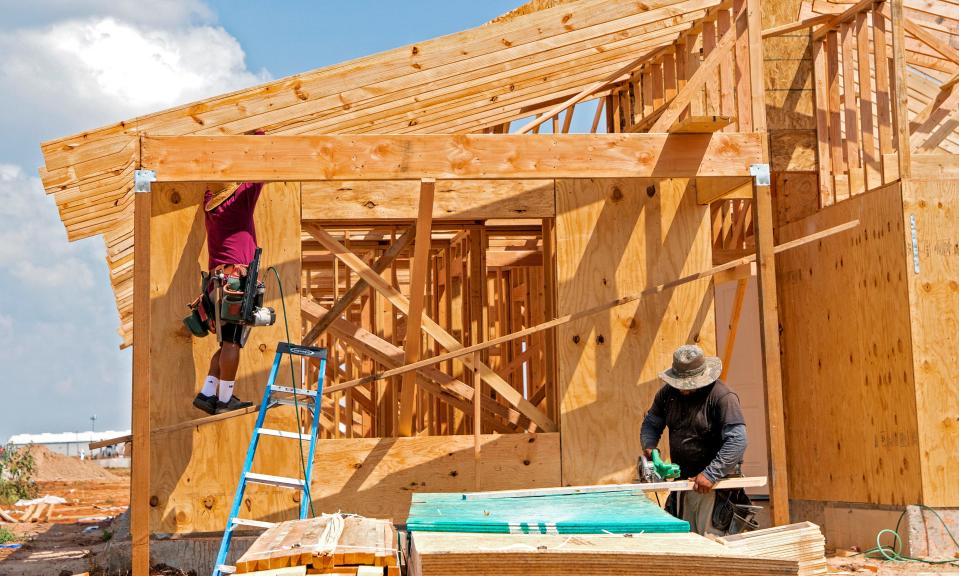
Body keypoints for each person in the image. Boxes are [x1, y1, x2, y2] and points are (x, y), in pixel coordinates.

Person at [640, 344, 750, 536]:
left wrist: (711, 473)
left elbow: (737, 441)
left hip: (715, 486)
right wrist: (650, 448)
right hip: (684, 483)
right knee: (685, 542)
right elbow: (651, 423)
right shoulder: (667, 395)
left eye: (688, 384)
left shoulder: (722, 397)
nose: (684, 389)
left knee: (713, 544)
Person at [192, 181, 264, 416]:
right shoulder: (238, 201)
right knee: (233, 343)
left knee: (225, 344)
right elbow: (261, 169)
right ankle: (224, 400)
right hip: (235, 284)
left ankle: (207, 393)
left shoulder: (210, 206)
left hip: (218, 285)